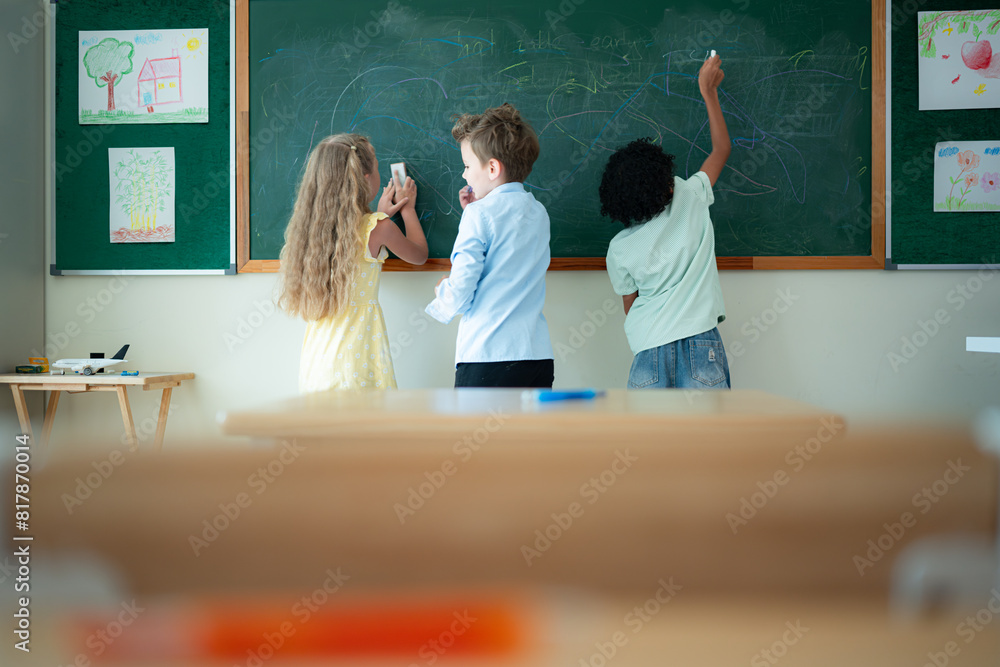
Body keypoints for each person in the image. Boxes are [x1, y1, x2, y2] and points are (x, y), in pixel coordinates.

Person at [599, 54, 732, 389]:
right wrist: (709, 93)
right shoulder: (690, 195)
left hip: (649, 350)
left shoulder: (619, 249)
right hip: (702, 343)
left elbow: (632, 308)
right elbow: (721, 150)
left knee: (650, 441)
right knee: (713, 439)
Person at [277, 133, 427, 392]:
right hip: (357, 362)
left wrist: (378, 214)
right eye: (378, 167)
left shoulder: (310, 234)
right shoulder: (379, 228)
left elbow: (352, 231)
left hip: (318, 362)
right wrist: (408, 210)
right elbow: (419, 254)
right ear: (366, 179)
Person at [425, 103, 554, 388]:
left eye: (468, 166)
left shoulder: (478, 215)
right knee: (527, 434)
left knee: (477, 433)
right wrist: (478, 209)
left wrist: (441, 292)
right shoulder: (538, 212)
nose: (464, 175)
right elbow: (507, 246)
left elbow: (461, 291)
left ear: (493, 167)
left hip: (488, 354)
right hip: (536, 356)